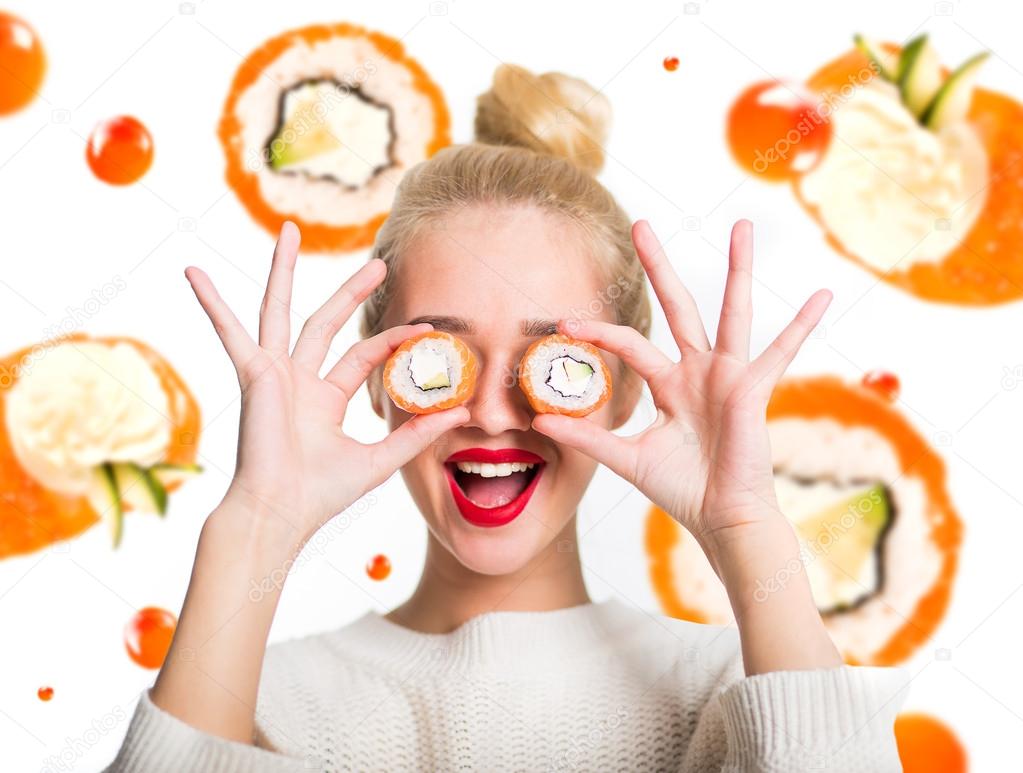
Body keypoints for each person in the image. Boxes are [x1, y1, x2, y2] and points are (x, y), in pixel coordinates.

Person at [107, 64, 907, 772]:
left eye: (554, 362)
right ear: (380, 378)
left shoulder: (743, 695)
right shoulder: (249, 700)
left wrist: (746, 526)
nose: (493, 411)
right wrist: (256, 527)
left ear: (624, 388)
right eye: (438, 361)